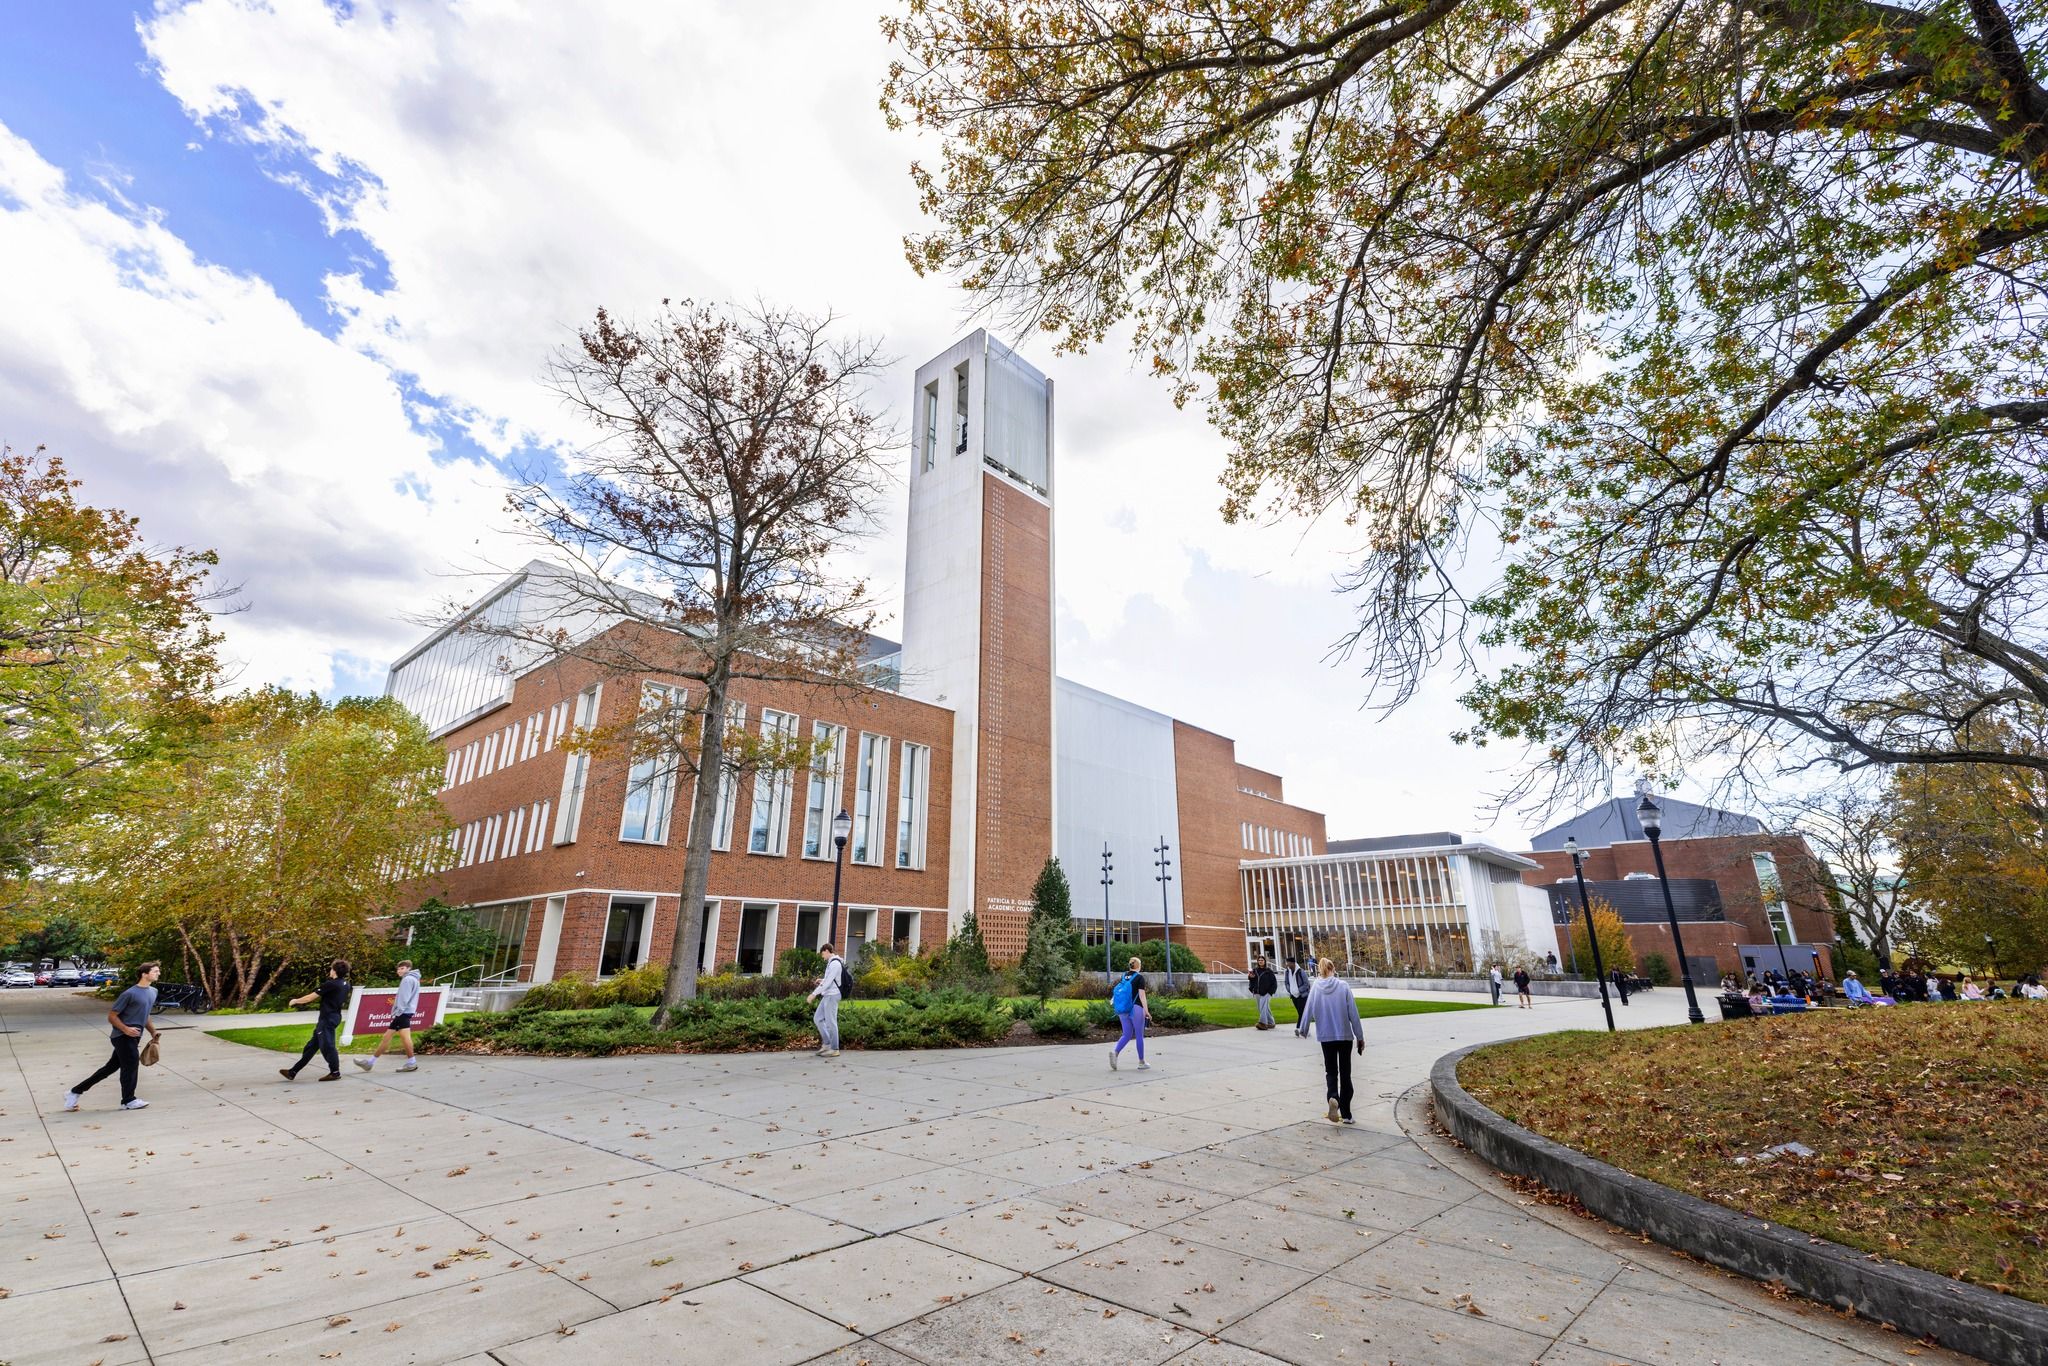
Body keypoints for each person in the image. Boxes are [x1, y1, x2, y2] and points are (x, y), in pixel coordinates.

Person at [64, 962, 161, 1112]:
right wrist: (126, 1029)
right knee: (131, 1065)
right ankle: (128, 1100)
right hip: (122, 1036)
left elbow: (145, 1014)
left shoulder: (153, 991)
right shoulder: (129, 994)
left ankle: (74, 1092)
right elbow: (112, 1016)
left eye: (158, 971)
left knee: (109, 1068)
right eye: (155, 971)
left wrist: (153, 1032)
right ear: (144, 974)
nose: (158, 973)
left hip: (135, 1036)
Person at [1301, 957, 1365, 1124]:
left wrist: (1303, 1028)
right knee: (1345, 1074)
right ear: (1333, 969)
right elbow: (1353, 1013)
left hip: (1326, 1036)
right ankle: (1347, 1114)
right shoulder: (1343, 986)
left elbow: (1308, 1008)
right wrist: (1359, 1036)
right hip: (1344, 1036)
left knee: (1331, 1071)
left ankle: (1333, 1097)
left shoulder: (1316, 987)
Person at [281, 959, 352, 1082]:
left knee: (328, 1046)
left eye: (331, 969)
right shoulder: (346, 984)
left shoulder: (331, 984)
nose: (330, 971)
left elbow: (310, 998)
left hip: (327, 1019)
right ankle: (293, 1072)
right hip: (335, 1017)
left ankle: (335, 1072)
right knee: (311, 1046)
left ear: (334, 971)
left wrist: (295, 1001)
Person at [353, 960, 422, 1073]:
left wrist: (398, 1012)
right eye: (398, 969)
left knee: (404, 1037)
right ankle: (370, 1063)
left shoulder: (407, 979)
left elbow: (404, 998)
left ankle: (411, 1062)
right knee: (387, 1037)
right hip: (406, 1011)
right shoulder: (414, 979)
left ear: (408, 968)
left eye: (402, 968)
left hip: (403, 1012)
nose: (399, 971)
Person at [1108, 956, 1151, 1071]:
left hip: (1123, 1008)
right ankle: (1141, 1062)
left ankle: (1115, 1052)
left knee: (1126, 1034)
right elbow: (1142, 996)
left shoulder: (1123, 976)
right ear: (1139, 966)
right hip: (1136, 1008)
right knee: (1139, 1035)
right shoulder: (1139, 978)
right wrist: (1146, 1011)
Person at [808, 941, 847, 1058]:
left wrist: (813, 994)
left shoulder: (835, 964)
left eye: (822, 954)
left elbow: (829, 982)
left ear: (826, 951)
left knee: (831, 1022)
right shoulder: (831, 963)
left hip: (832, 995)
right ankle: (827, 1044)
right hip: (827, 995)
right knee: (818, 1018)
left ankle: (834, 1049)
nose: (822, 957)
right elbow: (830, 980)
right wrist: (822, 980)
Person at [1248, 957, 1279, 1030]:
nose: (1260, 961)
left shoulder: (1269, 971)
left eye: (1262, 960)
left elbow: (1274, 983)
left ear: (1265, 961)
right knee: (1263, 1008)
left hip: (1266, 993)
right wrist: (1251, 977)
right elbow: (1252, 980)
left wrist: (1270, 992)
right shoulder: (1255, 970)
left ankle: (1263, 1023)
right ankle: (1271, 1023)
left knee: (1263, 1007)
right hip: (1257, 992)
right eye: (1259, 960)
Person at [1285, 958, 1312, 1036]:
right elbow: (1286, 982)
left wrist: (1298, 990)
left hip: (1302, 995)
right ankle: (1304, 1030)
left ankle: (1298, 1028)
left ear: (1293, 963)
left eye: (1288, 963)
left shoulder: (1301, 971)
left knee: (1302, 1013)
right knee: (1301, 1013)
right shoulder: (1287, 972)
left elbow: (1306, 984)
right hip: (1293, 996)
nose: (1287, 964)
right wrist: (1290, 990)